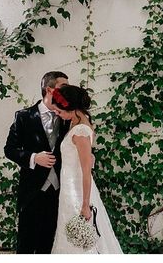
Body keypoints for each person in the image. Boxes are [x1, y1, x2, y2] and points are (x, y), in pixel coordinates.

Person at [50, 84, 123, 254]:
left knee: (79, 241)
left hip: (77, 193)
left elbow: (86, 171)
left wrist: (85, 205)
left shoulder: (81, 131)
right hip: (69, 191)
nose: (57, 114)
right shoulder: (76, 124)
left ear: (71, 108)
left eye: (59, 111)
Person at [4, 71, 69, 254]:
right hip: (32, 192)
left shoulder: (68, 118)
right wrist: (34, 158)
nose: (67, 91)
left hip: (59, 191)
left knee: (48, 245)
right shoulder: (23, 117)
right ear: (49, 90)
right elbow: (10, 149)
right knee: (26, 244)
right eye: (63, 87)